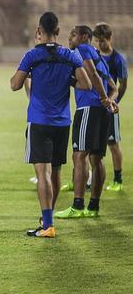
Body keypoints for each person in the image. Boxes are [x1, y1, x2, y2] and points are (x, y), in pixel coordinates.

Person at [10, 12, 91, 238]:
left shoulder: (32, 56)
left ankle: (47, 225)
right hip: (62, 122)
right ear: (58, 32)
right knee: (55, 172)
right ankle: (48, 221)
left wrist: (29, 77)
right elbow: (85, 84)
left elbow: (14, 85)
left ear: (38, 31)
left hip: (39, 121)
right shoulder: (70, 56)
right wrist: (68, 80)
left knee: (42, 173)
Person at [55, 25, 118, 219]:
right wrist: (110, 100)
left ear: (84, 37)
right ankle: (93, 206)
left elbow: (92, 74)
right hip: (102, 112)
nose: (69, 37)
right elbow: (113, 86)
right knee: (96, 159)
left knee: (79, 155)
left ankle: (77, 205)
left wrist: (102, 98)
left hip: (88, 109)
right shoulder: (98, 55)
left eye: (73, 34)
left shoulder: (82, 50)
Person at [95, 23, 127, 191]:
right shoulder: (94, 56)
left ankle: (118, 179)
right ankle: (87, 180)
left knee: (113, 144)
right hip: (95, 106)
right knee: (89, 144)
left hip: (110, 107)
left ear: (109, 38)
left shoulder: (118, 59)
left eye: (102, 41)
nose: (99, 44)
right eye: (97, 41)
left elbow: (123, 84)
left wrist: (115, 103)